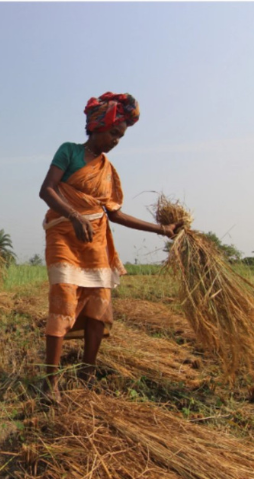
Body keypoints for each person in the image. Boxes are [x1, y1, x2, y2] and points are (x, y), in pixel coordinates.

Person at [38, 92, 182, 401]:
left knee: (97, 307)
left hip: (95, 243)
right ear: (98, 125)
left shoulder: (108, 170)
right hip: (63, 236)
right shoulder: (69, 151)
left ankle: (88, 371)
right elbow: (47, 190)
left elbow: (113, 213)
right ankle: (50, 382)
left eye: (121, 136)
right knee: (63, 300)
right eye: (114, 132)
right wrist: (74, 215)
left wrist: (161, 230)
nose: (117, 140)